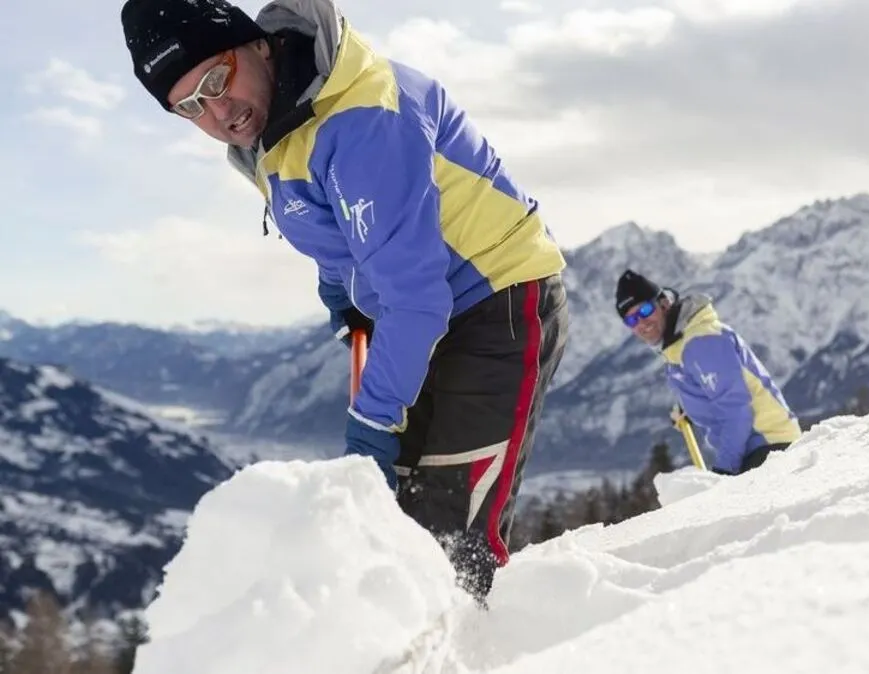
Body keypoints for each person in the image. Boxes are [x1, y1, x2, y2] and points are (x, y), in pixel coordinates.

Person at [119, 0, 569, 603]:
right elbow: (343, 239)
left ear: (257, 44)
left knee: (450, 539)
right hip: (421, 317)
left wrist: (373, 419)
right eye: (190, 106)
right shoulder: (273, 132)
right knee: (395, 523)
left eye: (216, 80)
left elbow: (414, 297)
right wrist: (341, 292)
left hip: (498, 303)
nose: (218, 112)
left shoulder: (359, 117)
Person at [614, 270, 799, 475]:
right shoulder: (679, 346)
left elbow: (736, 411)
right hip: (756, 448)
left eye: (645, 310)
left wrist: (725, 469)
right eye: (631, 321)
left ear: (664, 304)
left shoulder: (701, 342)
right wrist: (693, 410)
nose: (641, 323)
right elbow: (717, 392)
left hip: (770, 448)